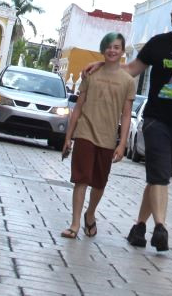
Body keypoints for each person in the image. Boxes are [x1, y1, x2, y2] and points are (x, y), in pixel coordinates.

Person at [84, 0, 172, 252]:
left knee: (158, 177)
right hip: (156, 119)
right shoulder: (158, 43)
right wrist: (103, 64)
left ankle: (138, 227)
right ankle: (160, 227)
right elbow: (132, 69)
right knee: (160, 173)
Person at [59, 32, 135, 240]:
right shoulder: (90, 75)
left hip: (108, 138)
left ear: (122, 51)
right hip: (85, 133)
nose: (112, 50)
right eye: (109, 46)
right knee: (81, 180)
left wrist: (123, 144)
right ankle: (75, 224)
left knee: (100, 183)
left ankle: (90, 213)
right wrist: (69, 136)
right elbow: (78, 106)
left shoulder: (128, 81)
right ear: (103, 49)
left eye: (117, 47)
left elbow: (126, 115)